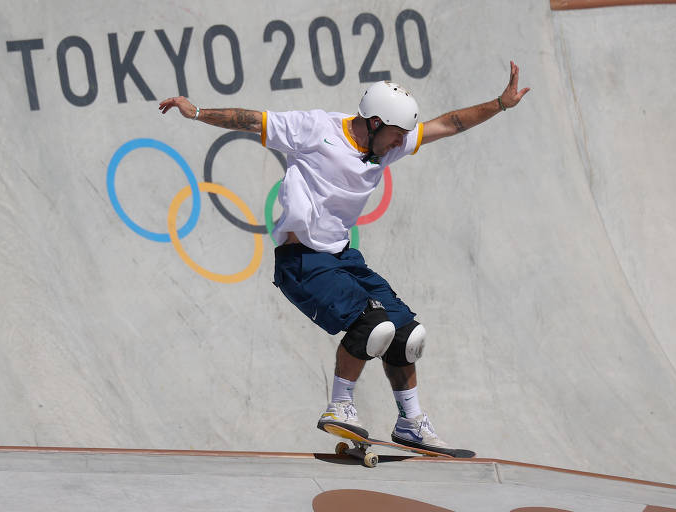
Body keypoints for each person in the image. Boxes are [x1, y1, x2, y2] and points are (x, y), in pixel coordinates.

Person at [158, 61, 529, 454]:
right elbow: (252, 120)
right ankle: (340, 407)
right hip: (301, 260)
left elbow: (449, 123)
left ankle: (411, 423)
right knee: (373, 326)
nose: (399, 143)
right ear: (372, 123)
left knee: (405, 334)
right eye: (395, 134)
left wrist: (500, 104)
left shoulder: (388, 142)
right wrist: (196, 112)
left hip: (343, 257)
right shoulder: (316, 129)